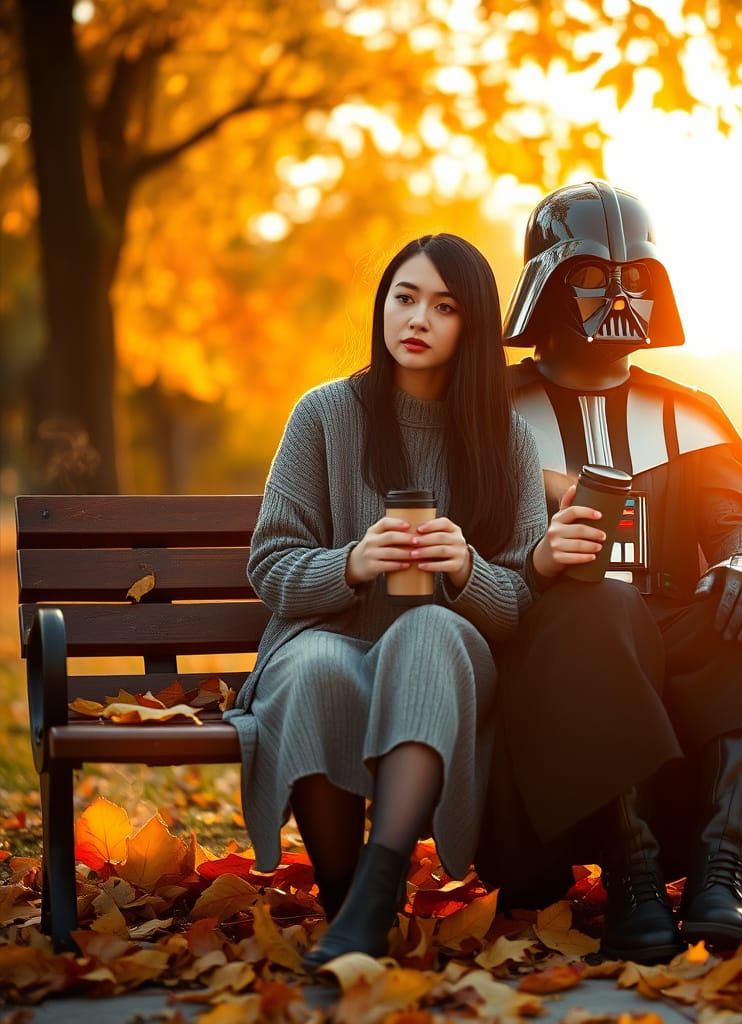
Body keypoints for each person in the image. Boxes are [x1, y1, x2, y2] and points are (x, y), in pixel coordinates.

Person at [476, 181, 742, 960]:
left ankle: (720, 871)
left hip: (670, 630)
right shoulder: (488, 407)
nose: (618, 296)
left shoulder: (691, 411)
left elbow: (740, 521)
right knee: (599, 610)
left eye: (635, 277)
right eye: (591, 276)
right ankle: (633, 877)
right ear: (545, 284)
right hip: (547, 637)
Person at [224, 234, 548, 968]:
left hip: (446, 659)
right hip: (328, 638)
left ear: (473, 327)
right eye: (405, 297)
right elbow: (271, 565)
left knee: (425, 628)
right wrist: (352, 562)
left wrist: (466, 569)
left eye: (444, 306)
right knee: (314, 667)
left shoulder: (508, 440)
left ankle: (379, 882)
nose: (418, 318)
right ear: (383, 306)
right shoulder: (324, 414)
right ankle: (349, 906)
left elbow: (521, 605)